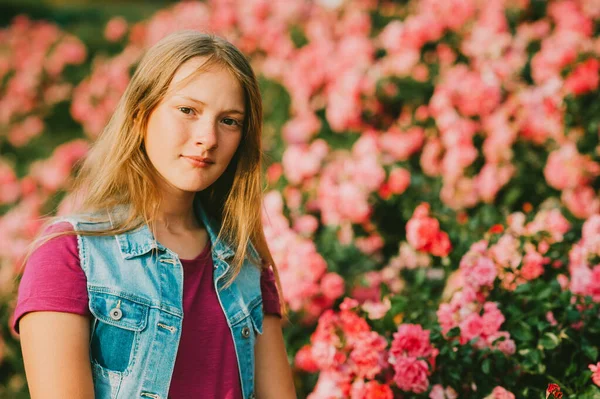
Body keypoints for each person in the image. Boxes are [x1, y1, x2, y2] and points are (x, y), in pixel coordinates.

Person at [13, 30, 296, 399]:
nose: (207, 137)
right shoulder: (70, 255)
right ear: (139, 114)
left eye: (229, 121)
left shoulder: (246, 266)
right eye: (187, 110)